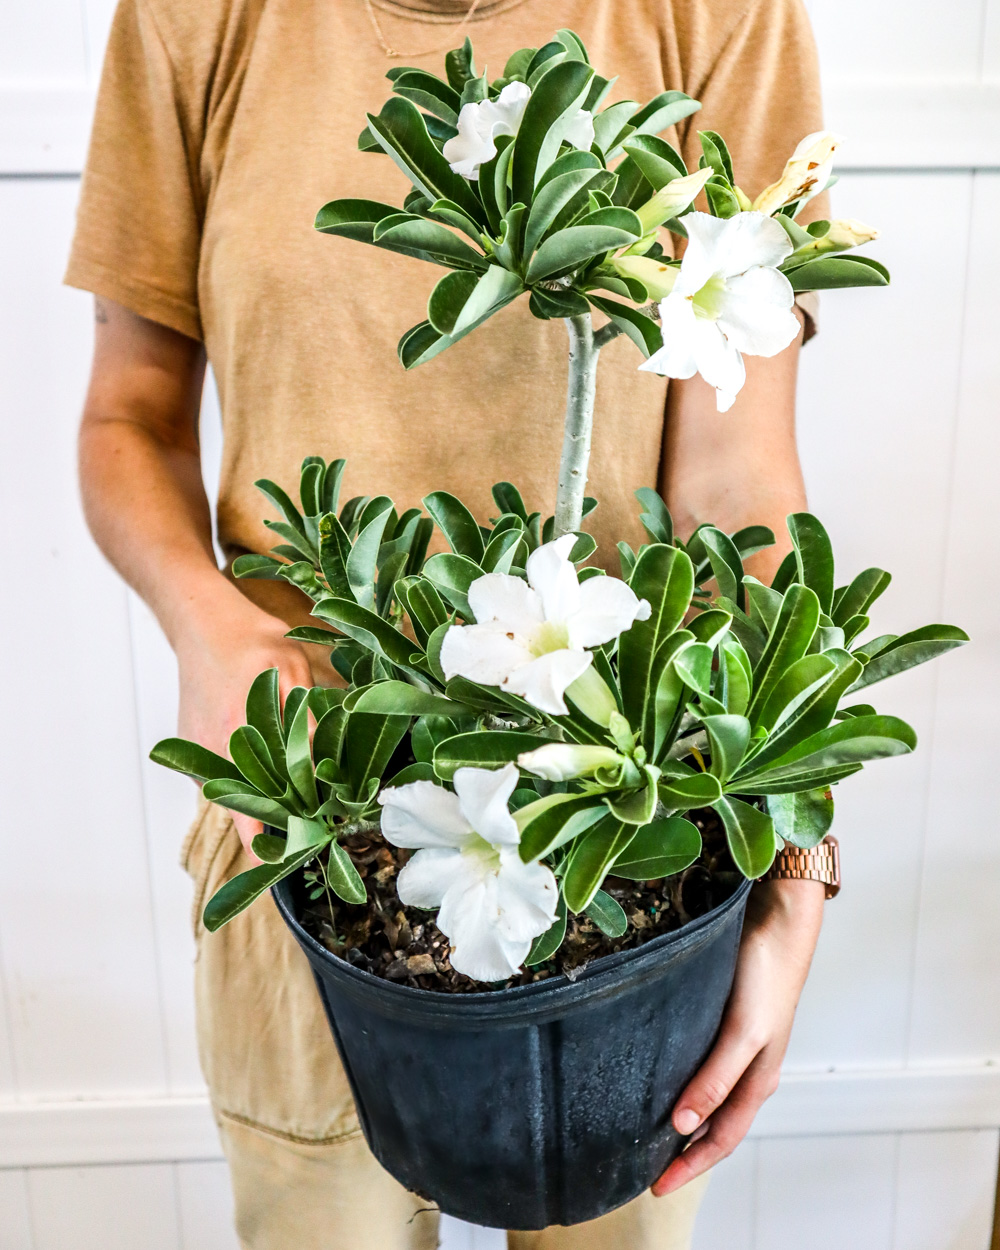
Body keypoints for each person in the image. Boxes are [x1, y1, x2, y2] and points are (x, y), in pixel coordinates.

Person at [68, 0, 831, 1246]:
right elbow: (126, 417)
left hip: (626, 812)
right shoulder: (191, 18)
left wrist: (796, 852)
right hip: (310, 807)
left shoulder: (720, 15)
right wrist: (207, 623)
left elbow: (735, 487)